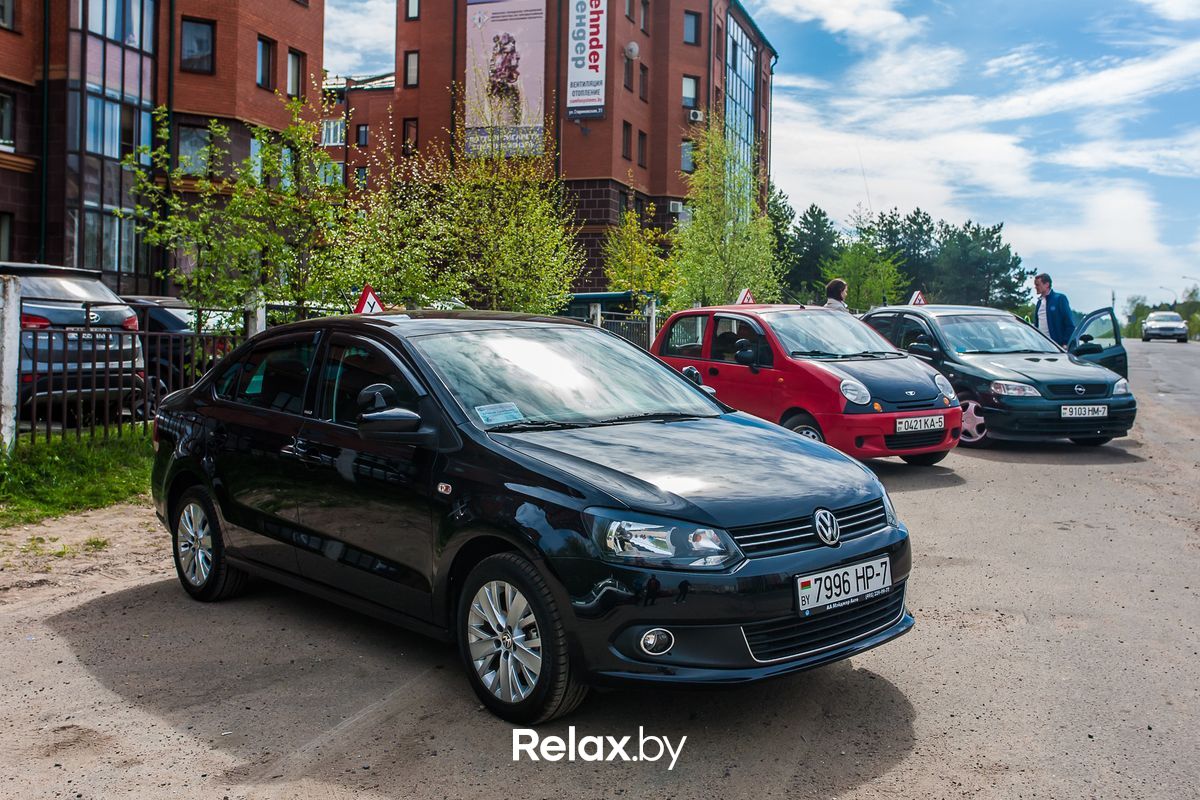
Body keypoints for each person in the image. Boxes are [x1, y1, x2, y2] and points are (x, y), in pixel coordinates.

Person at [1033, 273, 1074, 347]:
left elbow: (1069, 324)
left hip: (1057, 346)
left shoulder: (1059, 299)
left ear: (1047, 284)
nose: (1035, 287)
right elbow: (1036, 324)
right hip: (1041, 345)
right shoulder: (1039, 302)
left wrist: (1065, 343)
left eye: (1037, 285)